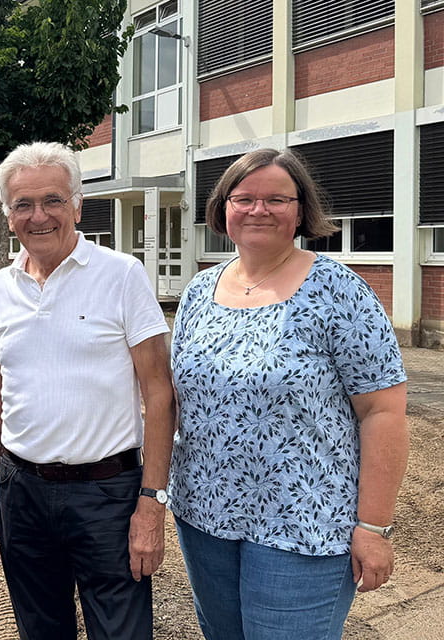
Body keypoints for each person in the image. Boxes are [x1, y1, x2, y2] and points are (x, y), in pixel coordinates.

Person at [169, 148, 408, 639]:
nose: (259, 210)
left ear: (301, 211)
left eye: (277, 199)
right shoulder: (198, 291)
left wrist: (374, 526)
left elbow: (383, 412)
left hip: (304, 521)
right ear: (223, 208)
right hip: (205, 518)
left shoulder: (340, 290)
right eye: (245, 198)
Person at [0, 141, 175, 639]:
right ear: (7, 214)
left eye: (53, 200)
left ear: (77, 205)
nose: (39, 216)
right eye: (23, 204)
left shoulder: (121, 275)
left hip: (108, 495)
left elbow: (159, 393)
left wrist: (151, 503)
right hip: (23, 494)